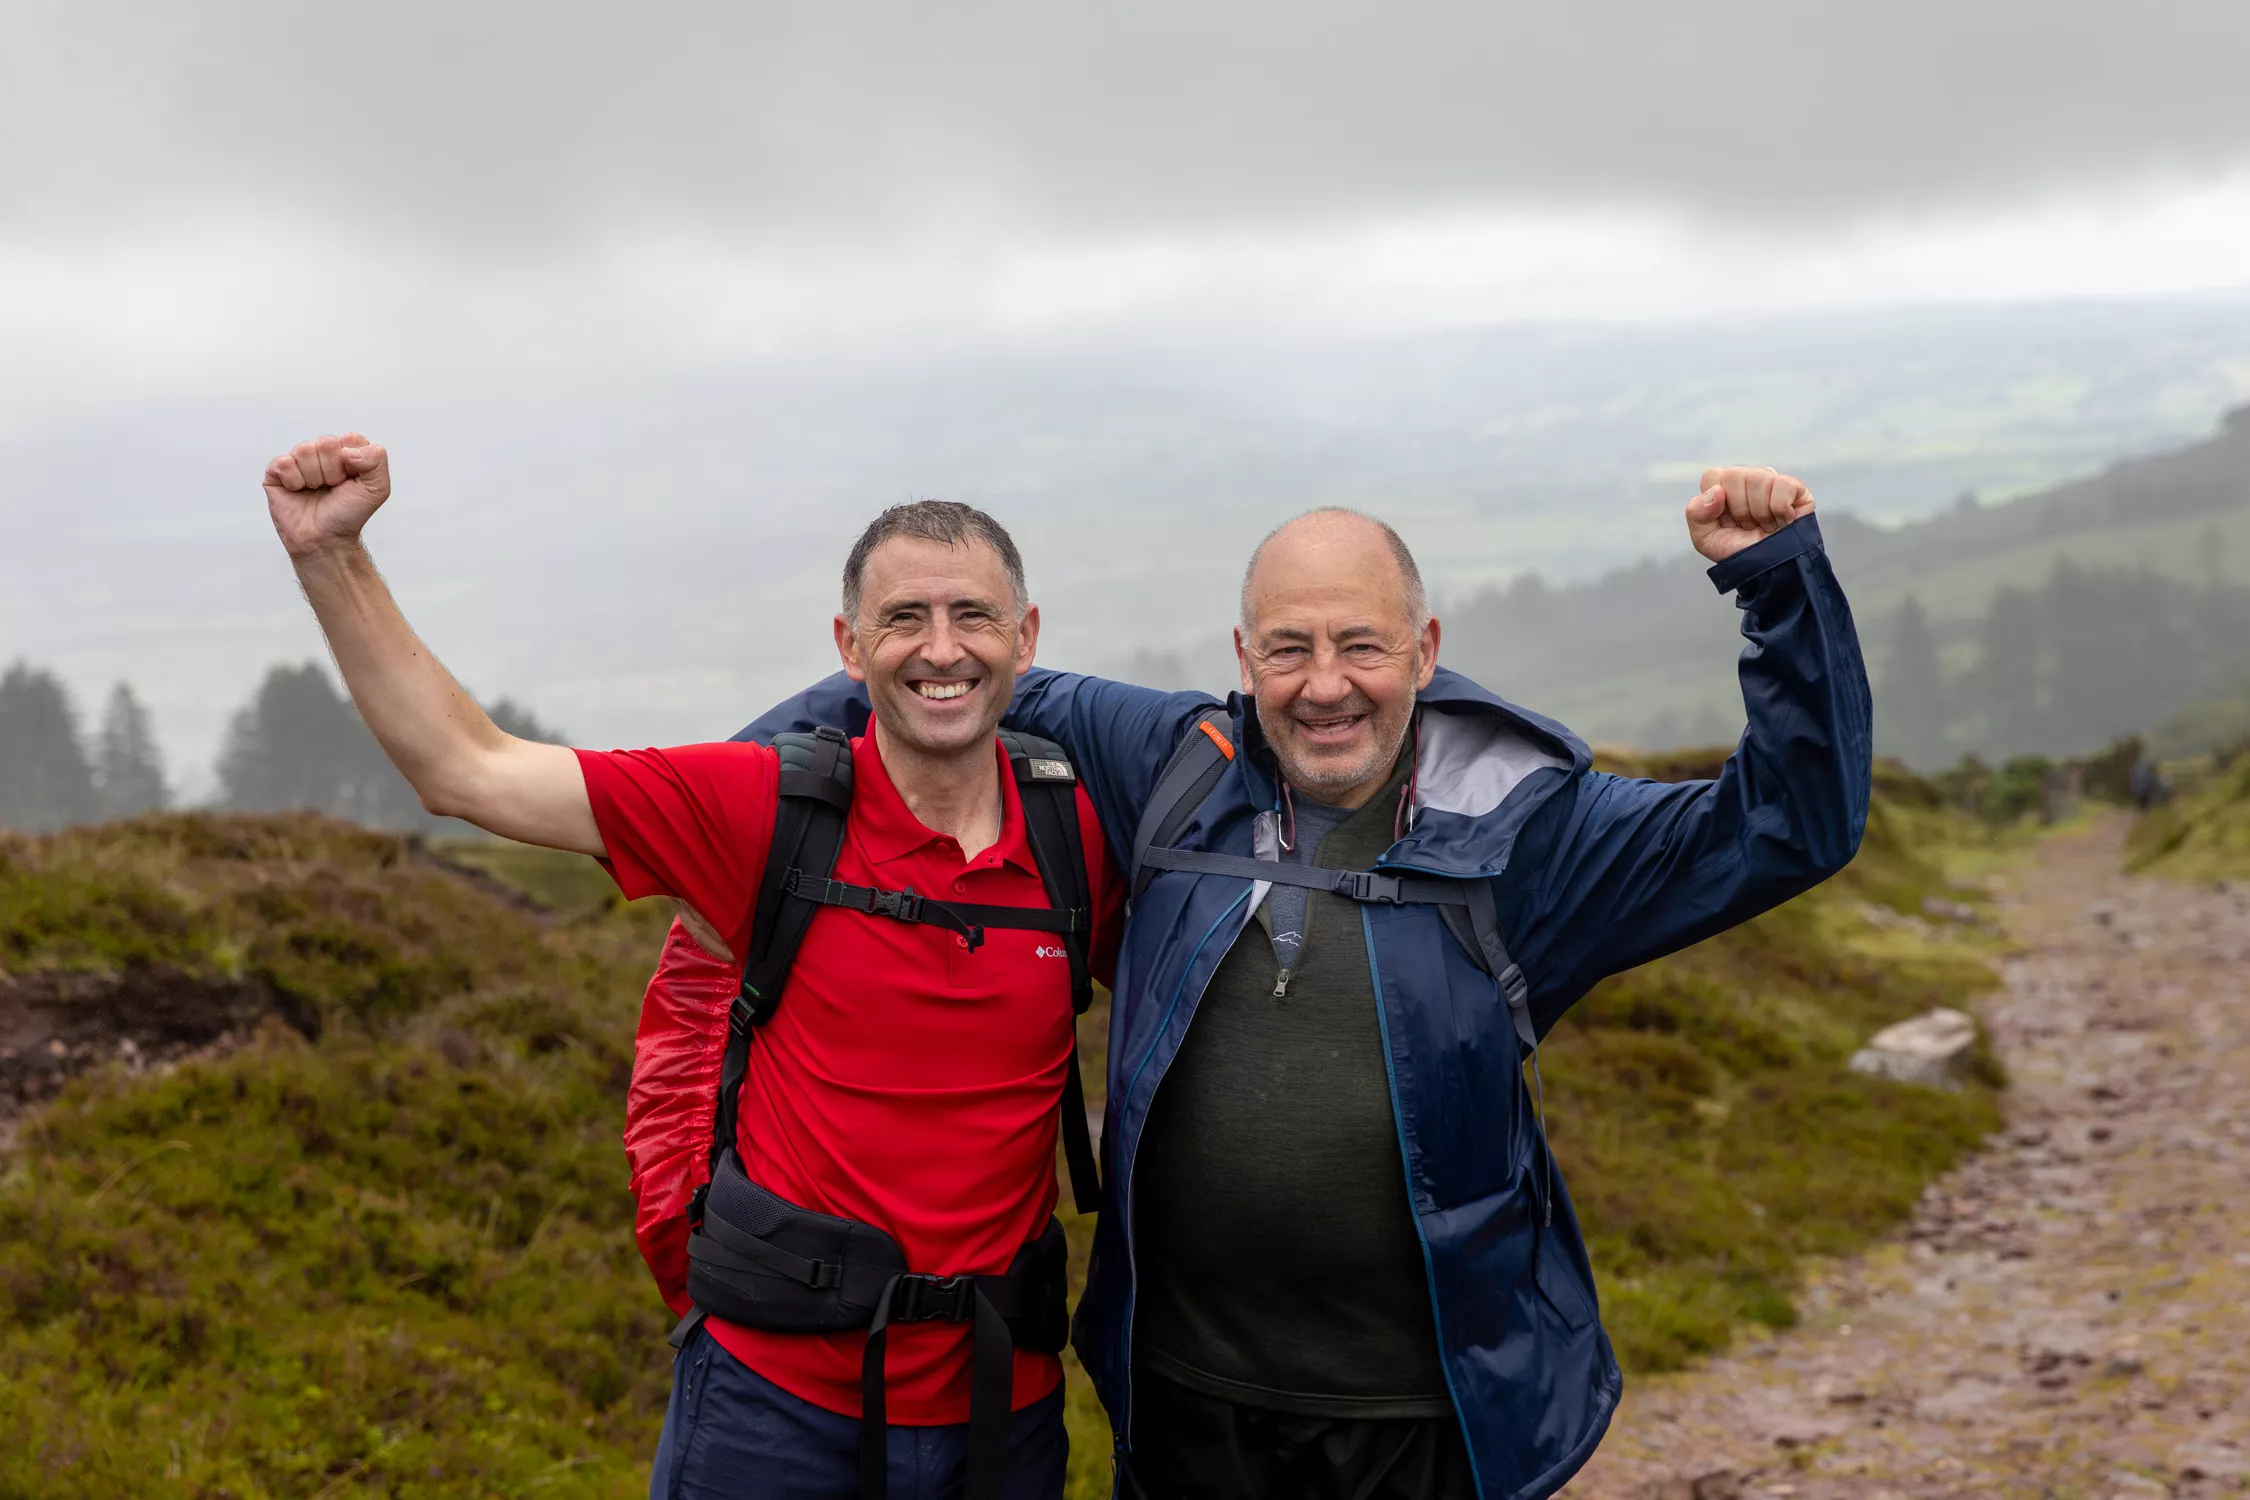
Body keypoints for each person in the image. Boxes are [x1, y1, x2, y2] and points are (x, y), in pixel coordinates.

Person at [717, 467, 1871, 1499]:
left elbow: (1791, 826)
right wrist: (738, 813)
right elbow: (939, 679)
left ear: (1424, 651)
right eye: (1289, 649)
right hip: (1183, 1411)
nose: (1325, 686)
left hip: (1424, 1419)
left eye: (1361, 646)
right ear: (1242, 659)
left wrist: (1778, 589)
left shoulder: (1532, 833)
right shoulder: (1174, 766)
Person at [258, 433, 1127, 1500]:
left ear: (1025, 637)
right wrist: (330, 557)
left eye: (972, 617)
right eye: (903, 619)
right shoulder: (759, 807)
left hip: (1003, 1410)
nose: (940, 650)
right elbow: (468, 770)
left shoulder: (1079, 836)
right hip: (773, 1409)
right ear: (849, 647)